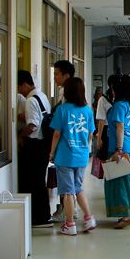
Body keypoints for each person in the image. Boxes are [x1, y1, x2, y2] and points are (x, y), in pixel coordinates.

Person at [48, 77, 96, 236]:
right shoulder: (88, 110)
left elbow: (56, 134)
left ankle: (69, 224)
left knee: (67, 191)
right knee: (78, 187)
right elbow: (90, 134)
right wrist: (84, 148)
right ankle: (89, 218)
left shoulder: (62, 110)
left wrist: (52, 152)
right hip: (81, 156)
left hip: (65, 156)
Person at [104, 74, 130, 229]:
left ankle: (128, 214)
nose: (111, 90)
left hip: (121, 148)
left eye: (112, 87)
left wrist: (119, 150)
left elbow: (119, 127)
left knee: (120, 182)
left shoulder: (119, 105)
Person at [17, 70, 53, 227]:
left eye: (19, 87)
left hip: (35, 146)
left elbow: (33, 125)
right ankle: (44, 215)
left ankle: (40, 217)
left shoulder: (30, 100)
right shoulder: (42, 95)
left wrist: (20, 135)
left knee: (34, 182)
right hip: (44, 144)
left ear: (25, 84)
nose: (19, 91)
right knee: (39, 180)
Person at [50, 59, 78, 223]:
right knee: (74, 184)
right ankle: (72, 209)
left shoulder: (66, 94)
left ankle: (67, 213)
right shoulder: (76, 92)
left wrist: (52, 151)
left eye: (57, 74)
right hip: (77, 146)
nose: (54, 77)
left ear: (66, 76)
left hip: (66, 145)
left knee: (66, 184)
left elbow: (59, 129)